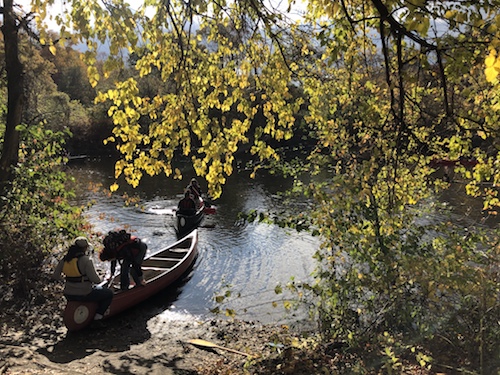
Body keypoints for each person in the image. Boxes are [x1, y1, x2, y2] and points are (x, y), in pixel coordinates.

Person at [53, 236, 113, 321]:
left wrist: (68, 280)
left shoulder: (65, 259)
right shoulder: (86, 260)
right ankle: (98, 318)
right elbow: (96, 280)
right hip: (84, 294)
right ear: (85, 248)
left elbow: (55, 276)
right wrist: (102, 277)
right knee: (108, 294)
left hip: (68, 294)